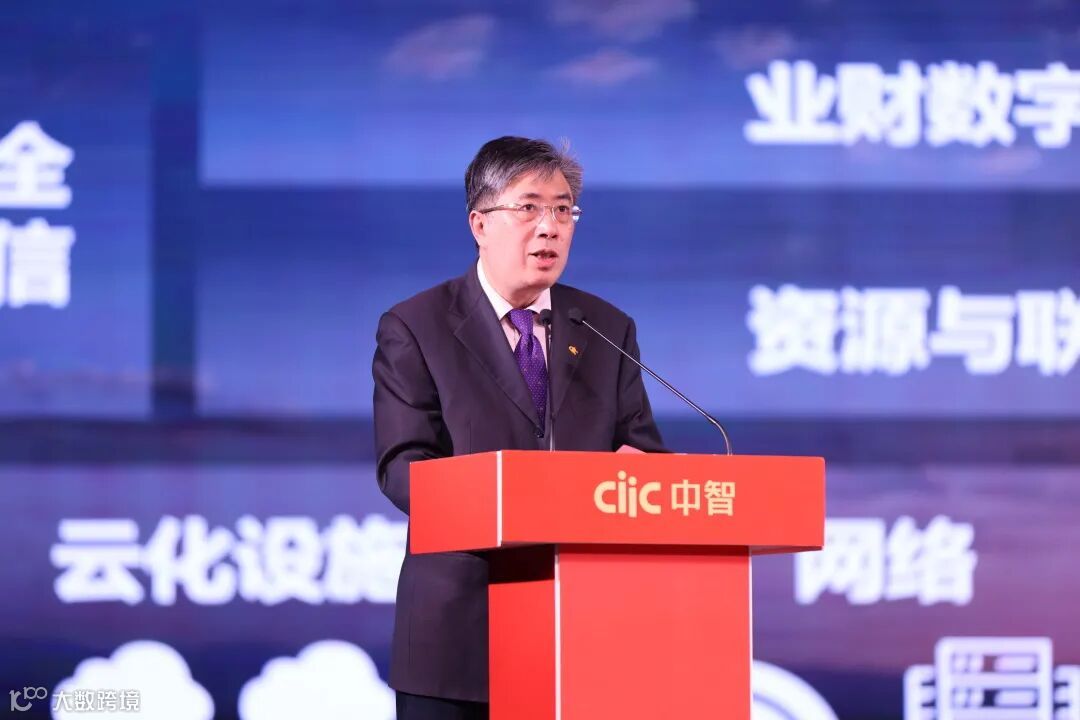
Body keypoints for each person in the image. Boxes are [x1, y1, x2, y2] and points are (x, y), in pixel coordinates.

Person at [372, 135, 665, 720]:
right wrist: (515, 499)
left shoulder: (606, 327)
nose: (549, 227)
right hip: (459, 633)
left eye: (563, 210)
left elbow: (640, 454)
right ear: (479, 224)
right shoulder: (417, 326)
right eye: (528, 207)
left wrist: (643, 478)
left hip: (580, 626)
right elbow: (404, 468)